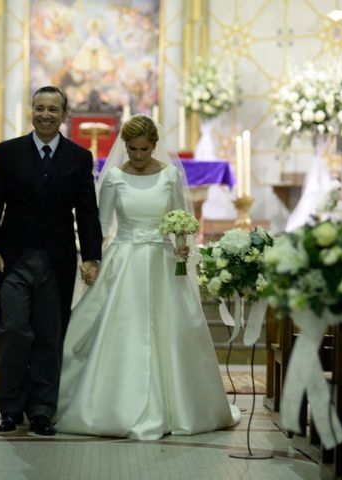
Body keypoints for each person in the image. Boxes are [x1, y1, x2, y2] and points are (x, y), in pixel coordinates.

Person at [55, 115, 242, 440]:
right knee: (122, 329)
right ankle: (111, 405)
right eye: (131, 149)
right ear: (124, 146)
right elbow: (100, 224)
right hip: (124, 258)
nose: (138, 156)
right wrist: (91, 261)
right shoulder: (114, 177)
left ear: (154, 146)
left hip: (162, 260)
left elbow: (180, 219)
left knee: (168, 330)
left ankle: (176, 405)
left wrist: (183, 246)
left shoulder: (169, 176)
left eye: (143, 149)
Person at [0, 85, 103, 436]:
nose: (45, 115)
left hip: (57, 258)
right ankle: (10, 408)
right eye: (39, 108)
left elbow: (87, 211)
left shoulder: (79, 157)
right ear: (31, 111)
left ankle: (42, 410)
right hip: (13, 258)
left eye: (53, 109)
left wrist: (92, 255)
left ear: (65, 115)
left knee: (50, 334)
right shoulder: (9, 152)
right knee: (14, 330)